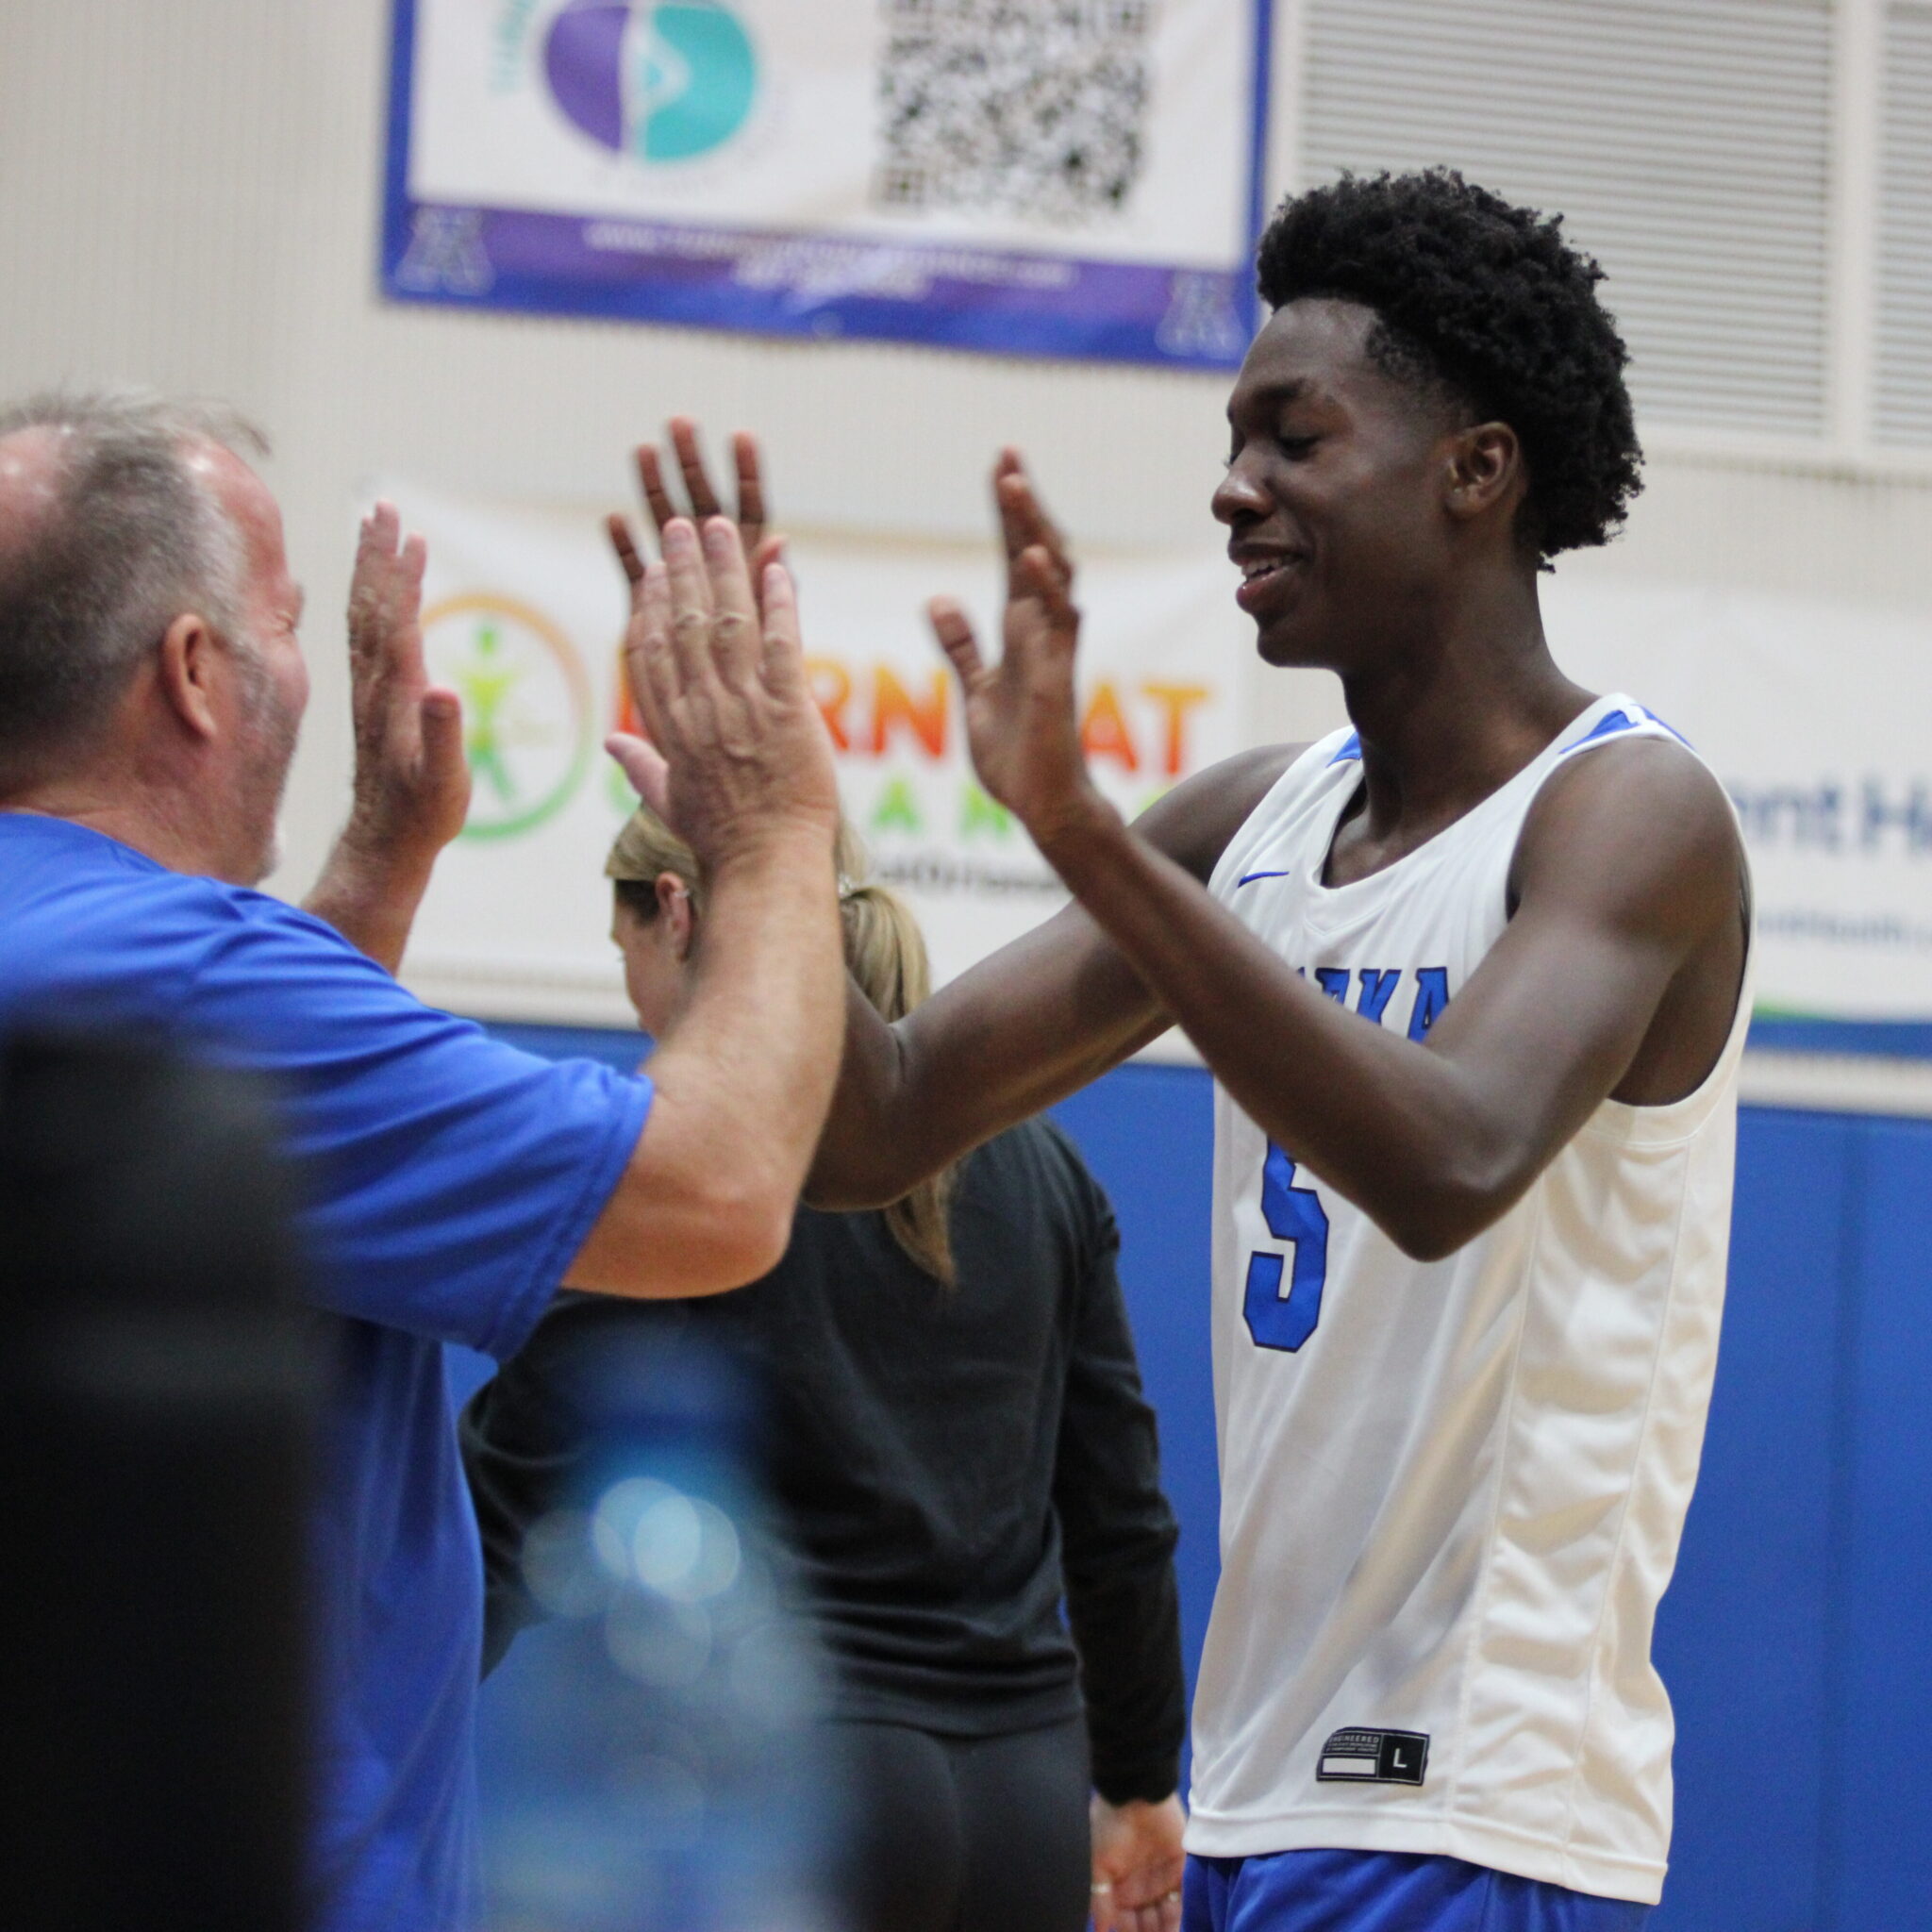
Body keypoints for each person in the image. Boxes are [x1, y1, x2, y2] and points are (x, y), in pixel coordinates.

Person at [797, 170, 1753, 1931]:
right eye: (1234, 440)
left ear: (1476, 469)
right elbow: (882, 1123)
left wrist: (1081, 831)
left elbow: (1447, 1160)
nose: (1234, 485)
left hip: (1478, 1804)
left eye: (1291, 437)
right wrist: (771, 839)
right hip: (1247, 1794)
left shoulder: (1630, 813)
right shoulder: (1255, 817)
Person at [0, 389, 847, 1931]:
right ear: (194, 675)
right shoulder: (189, 969)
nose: (299, 678)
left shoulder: (86, 959)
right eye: (276, 626)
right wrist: (779, 822)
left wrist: (381, 862)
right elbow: (711, 1190)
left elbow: (225, 1143)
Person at [461, 813, 1191, 1932]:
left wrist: (377, 1698)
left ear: (675, 912)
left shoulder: (694, 1170)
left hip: (809, 1788)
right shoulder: (1046, 1167)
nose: (640, 1012)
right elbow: (1120, 1515)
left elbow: (518, 1477)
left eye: (631, 970)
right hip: (1023, 1804)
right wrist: (1140, 1778)